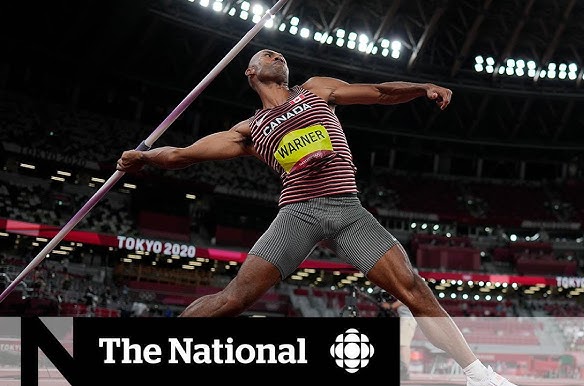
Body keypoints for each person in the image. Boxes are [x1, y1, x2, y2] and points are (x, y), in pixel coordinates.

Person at [116, 48, 517, 386]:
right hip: (298, 214)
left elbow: (378, 93)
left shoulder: (315, 90)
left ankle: (478, 374)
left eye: (278, 53)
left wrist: (420, 88)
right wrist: (144, 157)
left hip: (348, 210)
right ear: (251, 72)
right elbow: (183, 155)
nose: (276, 53)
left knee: (414, 289)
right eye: (265, 53)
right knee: (232, 300)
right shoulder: (250, 129)